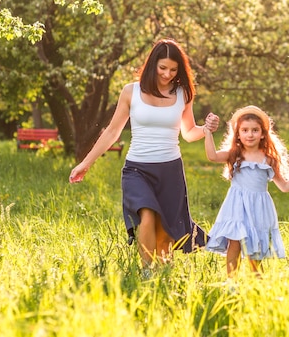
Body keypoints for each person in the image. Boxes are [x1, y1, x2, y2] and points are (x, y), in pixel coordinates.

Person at [69, 38, 219, 270]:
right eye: (162, 68)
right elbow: (112, 132)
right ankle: (146, 272)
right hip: (137, 169)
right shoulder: (132, 92)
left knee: (166, 227)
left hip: (170, 170)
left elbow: (189, 133)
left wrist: (206, 129)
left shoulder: (183, 93)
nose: (167, 74)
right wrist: (86, 163)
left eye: (173, 69)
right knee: (147, 214)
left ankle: (162, 272)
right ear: (152, 64)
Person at [203, 105, 289, 278]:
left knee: (256, 244)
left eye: (255, 130)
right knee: (235, 241)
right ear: (238, 134)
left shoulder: (268, 159)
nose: (250, 134)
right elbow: (212, 156)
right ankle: (231, 281)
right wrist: (207, 132)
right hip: (236, 205)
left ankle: (256, 281)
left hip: (258, 207)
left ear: (263, 133)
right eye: (245, 130)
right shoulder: (234, 154)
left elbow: (284, 186)